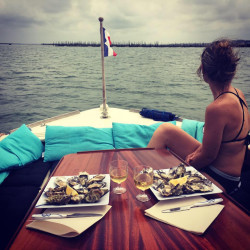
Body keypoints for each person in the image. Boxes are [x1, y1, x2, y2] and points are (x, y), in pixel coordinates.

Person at [148, 39, 250, 194]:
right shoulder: (238, 94)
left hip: (221, 179)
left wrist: (187, 164)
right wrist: (197, 154)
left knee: (166, 182)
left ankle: (145, 181)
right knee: (166, 130)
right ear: (232, 70)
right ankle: (146, 174)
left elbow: (208, 156)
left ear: (203, 70)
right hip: (228, 172)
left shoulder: (216, 108)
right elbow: (216, 147)